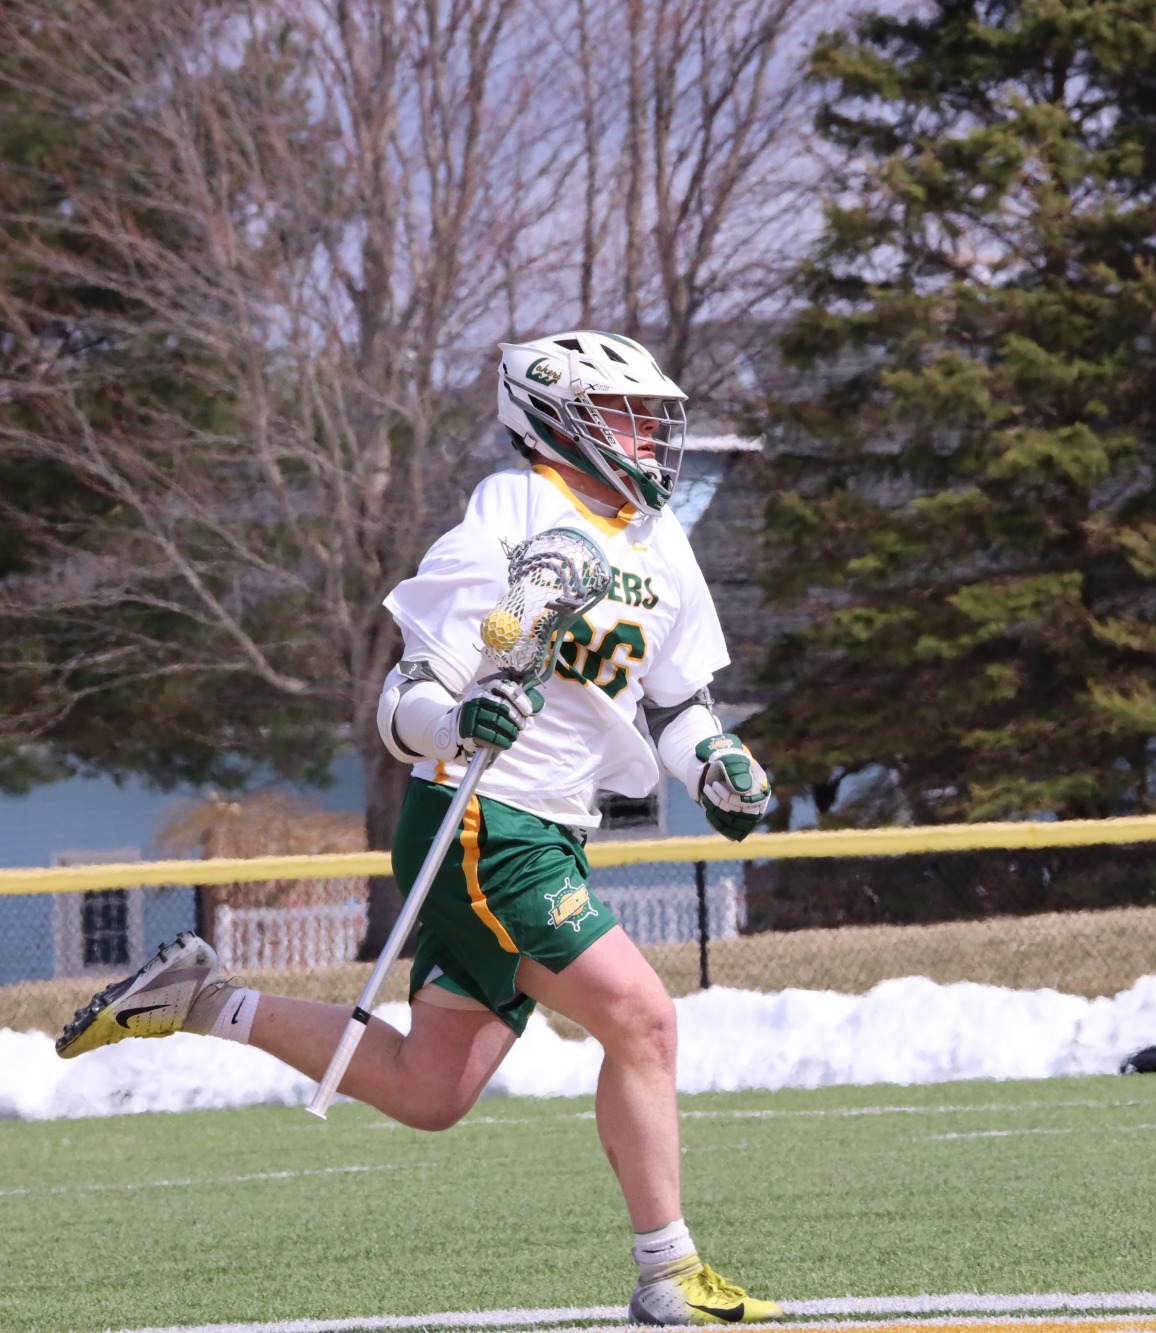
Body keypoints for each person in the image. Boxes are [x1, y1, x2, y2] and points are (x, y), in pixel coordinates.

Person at [54, 330, 781, 1325]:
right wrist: (456, 717)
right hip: (485, 819)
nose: (648, 442)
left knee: (431, 1089)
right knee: (644, 1019)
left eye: (652, 423)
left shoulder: (660, 546)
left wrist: (716, 763)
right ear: (559, 420)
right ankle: (667, 1274)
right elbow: (407, 697)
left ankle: (201, 998)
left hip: (553, 828)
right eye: (625, 418)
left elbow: (679, 703)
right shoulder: (511, 512)